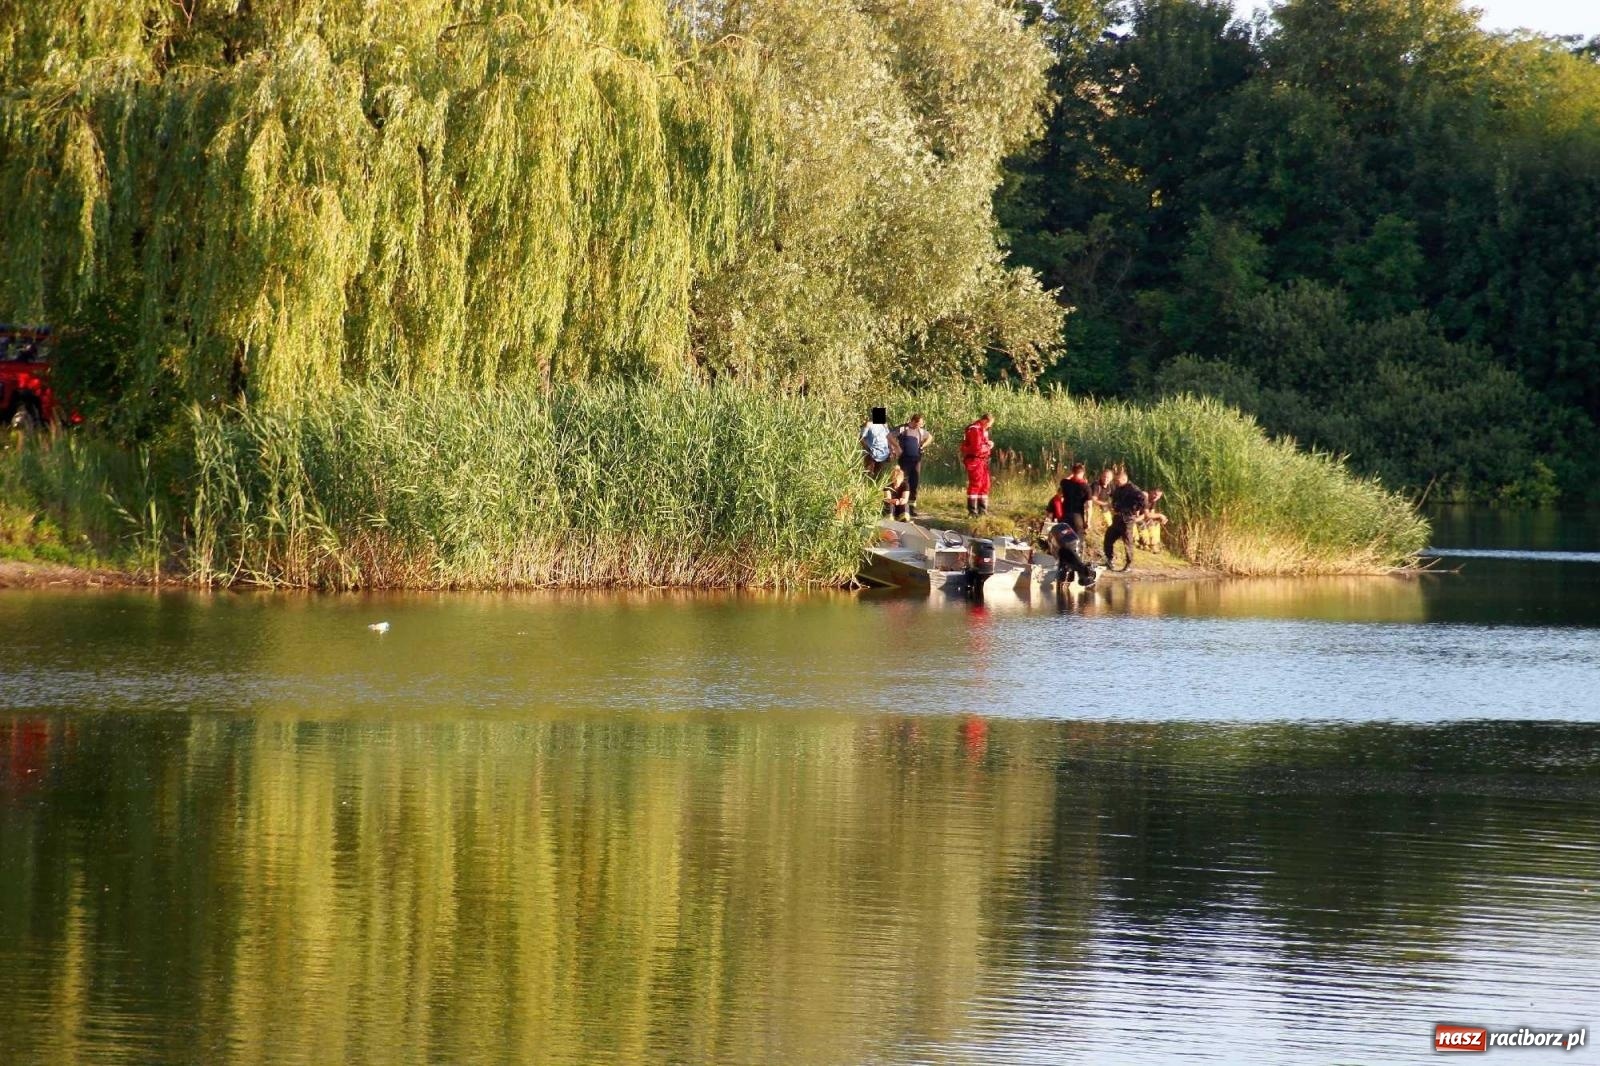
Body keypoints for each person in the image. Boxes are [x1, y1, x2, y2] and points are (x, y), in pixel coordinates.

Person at [1045, 489, 1096, 588]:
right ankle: (1084, 573)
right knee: (1067, 552)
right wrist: (1049, 520)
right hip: (1060, 531)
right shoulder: (1054, 501)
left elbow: (1083, 511)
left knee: (1071, 552)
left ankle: (1081, 573)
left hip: (1072, 533)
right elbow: (1048, 515)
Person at [1103, 467, 1148, 570]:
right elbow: (1115, 498)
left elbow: (1143, 499)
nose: (1116, 482)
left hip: (1127, 519)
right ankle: (1109, 560)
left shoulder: (1133, 489)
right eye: (1116, 480)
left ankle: (1129, 564)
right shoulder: (1118, 488)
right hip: (1117, 518)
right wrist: (1114, 505)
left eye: (1118, 480)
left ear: (1124, 479)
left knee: (1127, 542)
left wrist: (1136, 510)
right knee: (1108, 538)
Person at [894, 414, 932, 518]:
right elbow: (889, 436)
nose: (921, 425)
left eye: (921, 423)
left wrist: (923, 445)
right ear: (913, 421)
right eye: (919, 423)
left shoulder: (921, 431)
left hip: (916, 461)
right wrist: (897, 447)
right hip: (904, 460)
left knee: (914, 483)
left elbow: (930, 437)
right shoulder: (903, 428)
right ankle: (901, 507)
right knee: (903, 483)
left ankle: (911, 508)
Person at [960, 413, 995, 516]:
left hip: (982, 460)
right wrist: (988, 447)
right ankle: (972, 511)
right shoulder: (975, 429)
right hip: (974, 460)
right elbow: (976, 448)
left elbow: (981, 444)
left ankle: (982, 510)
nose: (990, 426)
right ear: (985, 421)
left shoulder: (982, 430)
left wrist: (988, 443)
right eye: (989, 423)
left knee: (985, 484)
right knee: (976, 484)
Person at [1060, 462, 1092, 539]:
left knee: (1064, 538)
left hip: (1065, 514)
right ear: (1083, 473)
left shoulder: (1065, 483)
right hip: (1077, 516)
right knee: (1078, 540)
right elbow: (1089, 506)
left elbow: (1066, 479)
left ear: (1072, 472)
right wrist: (1088, 521)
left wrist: (1072, 475)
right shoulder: (1086, 487)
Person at [860, 407, 892, 478]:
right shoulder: (869, 424)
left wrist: (890, 450)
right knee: (868, 473)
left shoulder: (884, 425)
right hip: (871, 454)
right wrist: (868, 449)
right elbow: (861, 438)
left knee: (879, 475)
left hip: (883, 454)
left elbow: (888, 438)